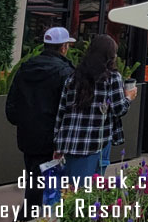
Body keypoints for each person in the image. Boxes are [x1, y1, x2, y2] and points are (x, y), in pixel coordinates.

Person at [6, 27, 76, 220]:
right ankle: (25, 221)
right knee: (45, 184)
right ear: (63, 47)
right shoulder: (66, 72)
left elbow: (11, 106)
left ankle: (26, 218)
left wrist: (24, 121)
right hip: (52, 137)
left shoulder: (26, 67)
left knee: (34, 179)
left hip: (27, 136)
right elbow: (68, 107)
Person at [54, 34, 136, 178]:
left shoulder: (73, 77)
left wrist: (58, 143)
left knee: (71, 190)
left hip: (70, 142)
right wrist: (129, 96)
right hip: (95, 143)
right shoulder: (112, 78)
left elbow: (61, 112)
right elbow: (119, 109)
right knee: (88, 191)